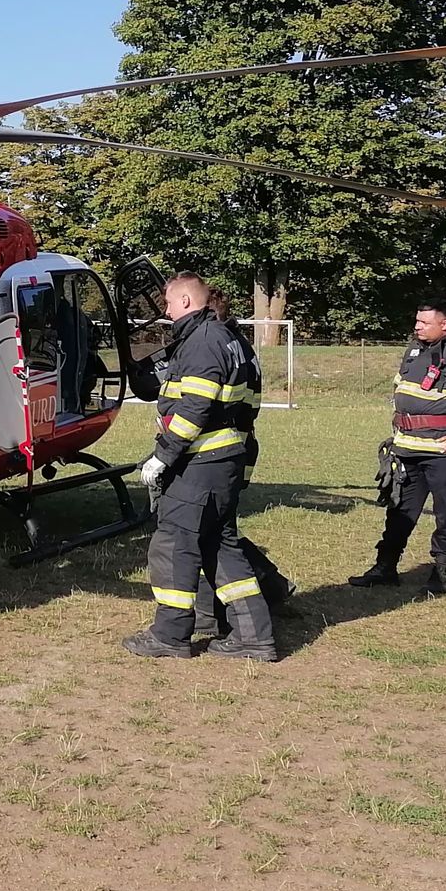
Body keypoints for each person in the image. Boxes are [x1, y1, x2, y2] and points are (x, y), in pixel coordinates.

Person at [124, 271, 276, 662]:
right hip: (222, 460)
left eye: (169, 303)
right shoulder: (227, 338)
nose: (166, 311)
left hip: (200, 462)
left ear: (186, 301)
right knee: (219, 545)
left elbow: (195, 407)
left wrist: (163, 455)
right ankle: (252, 635)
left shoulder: (203, 341)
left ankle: (170, 635)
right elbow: (241, 405)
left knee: (174, 545)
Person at [350, 298, 446, 598]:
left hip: (443, 452)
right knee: (399, 511)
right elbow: (402, 387)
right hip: (407, 448)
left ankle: (442, 573)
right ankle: (385, 568)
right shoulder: (415, 349)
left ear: (444, 324)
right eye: (417, 321)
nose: (417, 326)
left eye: (424, 322)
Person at [189, 287, 297, 636]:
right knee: (217, 529)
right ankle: (262, 589)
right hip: (239, 445)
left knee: (209, 532)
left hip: (217, 450)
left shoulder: (217, 346)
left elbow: (204, 404)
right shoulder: (239, 347)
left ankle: (264, 588)